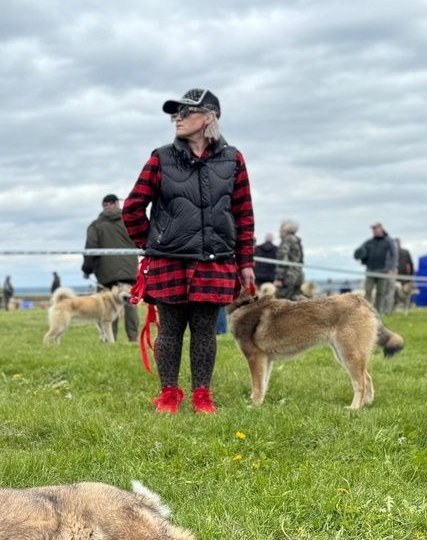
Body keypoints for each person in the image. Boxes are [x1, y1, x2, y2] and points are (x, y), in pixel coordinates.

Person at [122, 88, 255, 414]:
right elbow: (132, 208)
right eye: (175, 114)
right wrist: (152, 244)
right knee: (169, 331)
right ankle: (169, 394)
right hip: (169, 261)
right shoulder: (161, 157)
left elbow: (243, 214)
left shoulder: (233, 159)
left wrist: (246, 262)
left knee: (205, 332)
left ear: (209, 117)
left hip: (216, 261)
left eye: (186, 112)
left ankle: (201, 396)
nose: (177, 118)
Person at [82, 193, 140, 342]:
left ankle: (110, 338)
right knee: (130, 304)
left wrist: (87, 270)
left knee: (107, 305)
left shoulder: (96, 225)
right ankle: (133, 338)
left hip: (105, 274)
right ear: (116, 204)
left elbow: (90, 249)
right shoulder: (129, 221)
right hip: (130, 271)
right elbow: (140, 240)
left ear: (104, 206)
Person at [354, 221, 397, 314]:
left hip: (383, 271)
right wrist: (359, 255)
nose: (374, 231)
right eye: (373, 229)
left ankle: (378, 313)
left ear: (381, 228)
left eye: (376, 228)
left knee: (381, 293)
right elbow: (361, 252)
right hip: (370, 270)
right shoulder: (369, 242)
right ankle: (367, 313)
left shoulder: (389, 241)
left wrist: (392, 268)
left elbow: (394, 255)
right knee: (368, 291)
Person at [274, 219, 304, 300]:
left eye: (281, 227)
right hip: (297, 276)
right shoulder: (297, 240)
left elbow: (282, 259)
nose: (279, 229)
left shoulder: (286, 240)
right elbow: (301, 260)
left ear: (286, 229)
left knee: (281, 301)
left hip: (287, 277)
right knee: (294, 302)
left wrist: (279, 278)